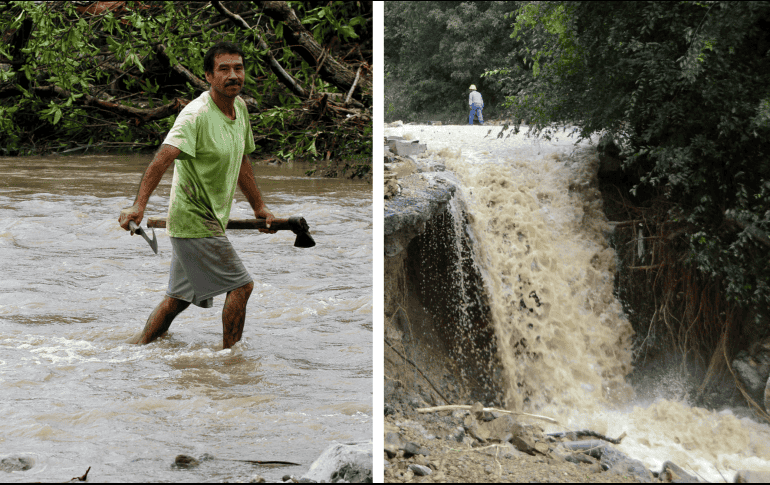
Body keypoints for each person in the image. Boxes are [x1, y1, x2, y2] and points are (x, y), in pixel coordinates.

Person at [118, 41, 275, 350]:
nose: (233, 75)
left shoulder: (239, 108)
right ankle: (230, 359)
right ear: (208, 76)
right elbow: (161, 160)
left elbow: (241, 159)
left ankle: (135, 350)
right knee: (242, 286)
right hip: (194, 219)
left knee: (177, 300)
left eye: (238, 68)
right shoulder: (196, 116)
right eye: (224, 69)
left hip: (207, 219)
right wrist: (139, 205)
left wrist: (259, 206)